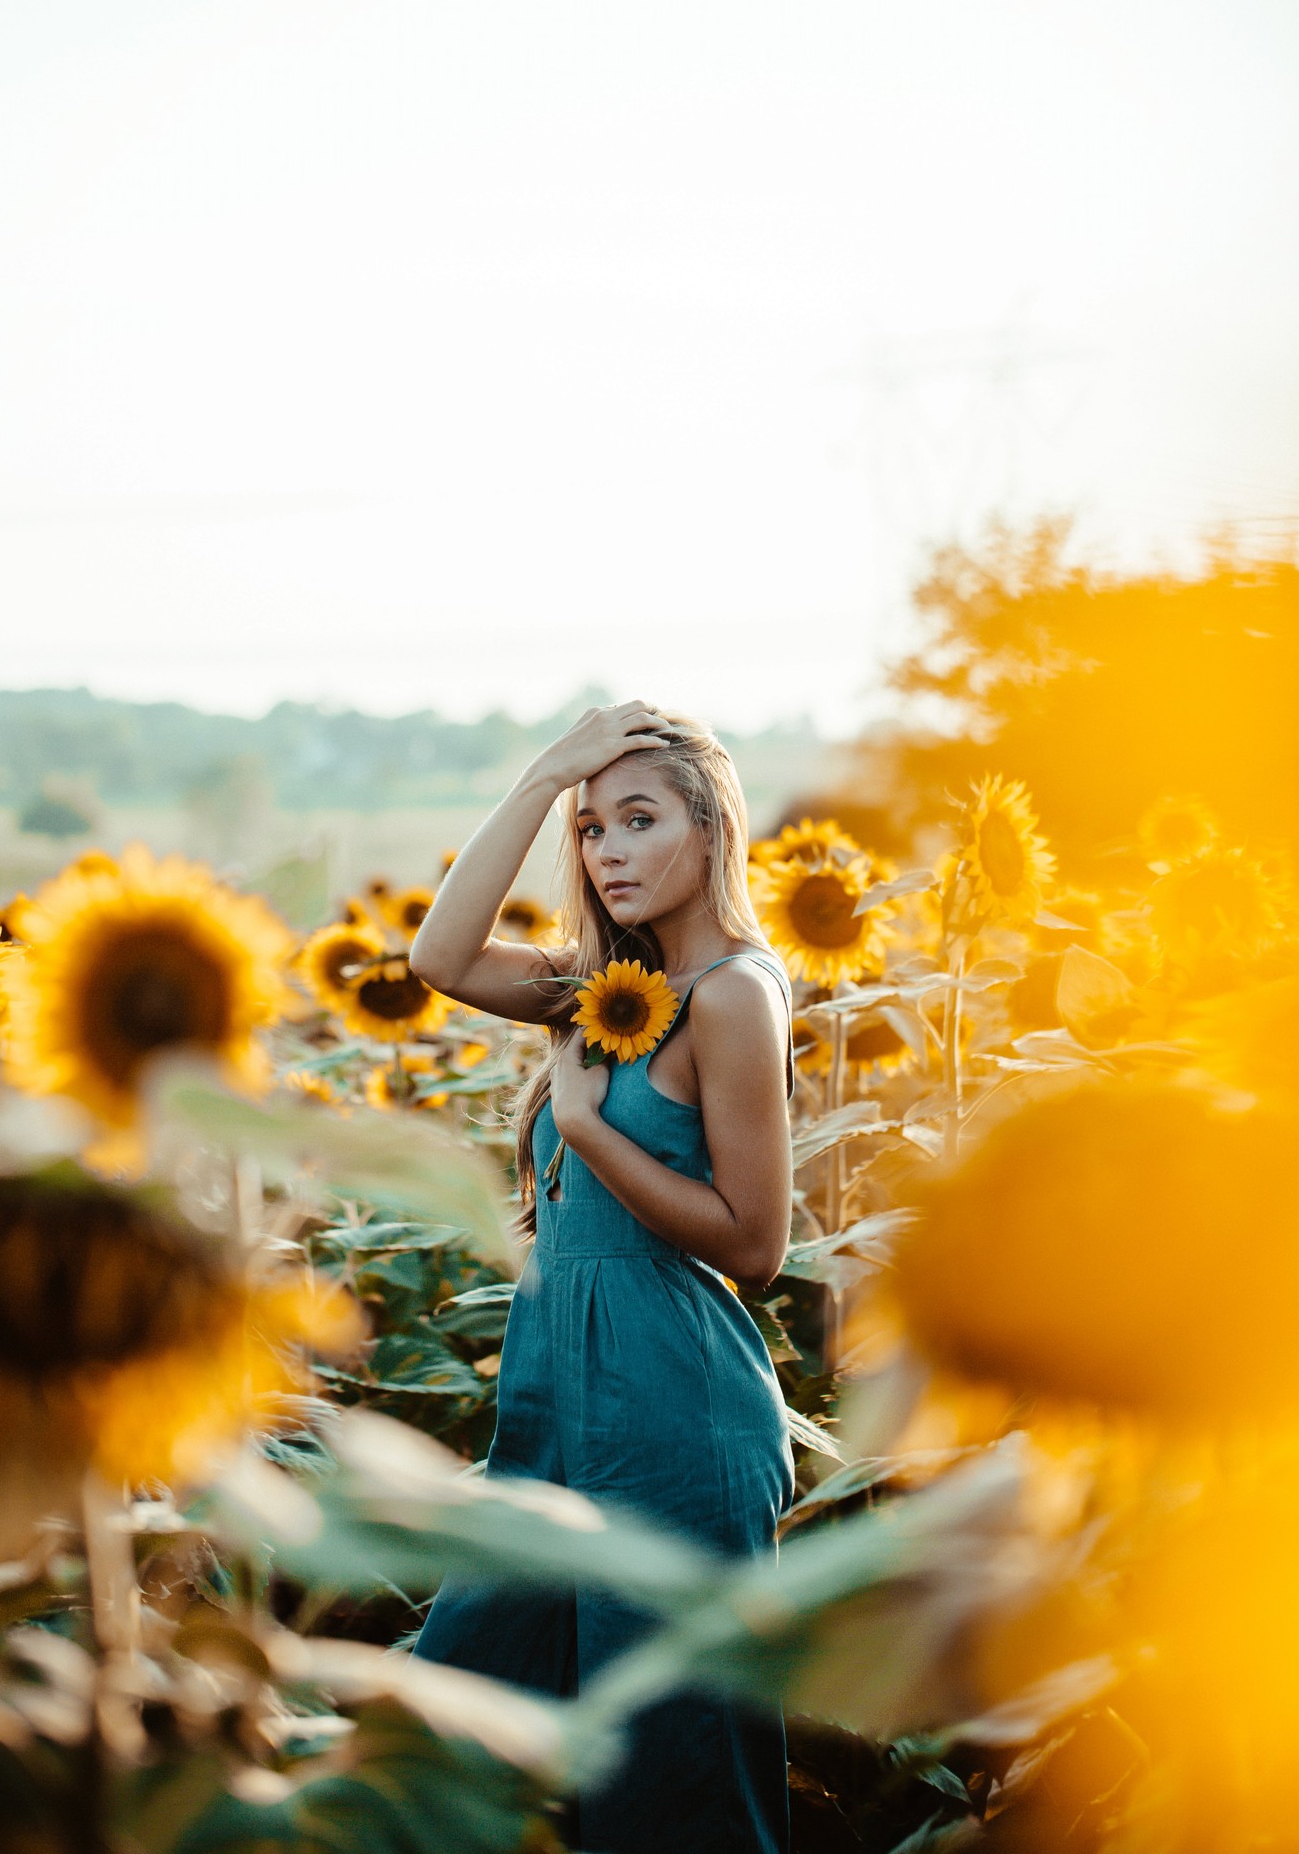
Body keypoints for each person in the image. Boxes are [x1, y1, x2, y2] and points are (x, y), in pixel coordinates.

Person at [409, 701, 796, 1854]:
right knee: (449, 1738)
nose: (609, 849)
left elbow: (756, 1243)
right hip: (553, 1414)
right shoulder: (601, 987)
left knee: (674, 1787)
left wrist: (589, 1126)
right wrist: (542, 777)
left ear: (711, 827)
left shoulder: (732, 992)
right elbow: (437, 957)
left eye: (639, 817)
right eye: (591, 828)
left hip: (676, 1413)